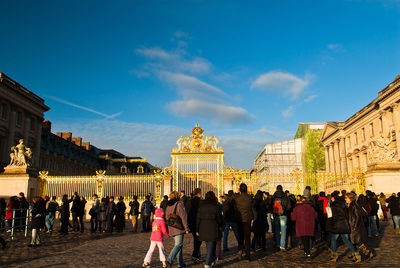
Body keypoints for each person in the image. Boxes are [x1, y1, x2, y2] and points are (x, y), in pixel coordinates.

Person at [326, 193, 358, 262]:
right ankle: (356, 253)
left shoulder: (332, 205)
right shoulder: (345, 205)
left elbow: (330, 216)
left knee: (333, 240)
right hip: (344, 224)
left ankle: (334, 255)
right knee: (346, 240)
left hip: (336, 225)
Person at [196, 191, 223, 268]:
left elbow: (198, 219)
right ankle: (207, 264)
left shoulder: (201, 206)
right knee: (210, 247)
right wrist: (220, 225)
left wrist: (197, 229)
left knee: (210, 246)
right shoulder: (216, 206)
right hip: (213, 228)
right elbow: (219, 219)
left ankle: (212, 261)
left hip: (203, 227)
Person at [346, 192, 374, 262]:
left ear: (350, 198)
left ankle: (365, 254)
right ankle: (358, 256)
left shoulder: (354, 206)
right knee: (355, 242)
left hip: (355, 227)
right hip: (352, 226)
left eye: (346, 198)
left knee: (357, 242)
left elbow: (357, 217)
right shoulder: (350, 205)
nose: (345, 199)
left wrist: (354, 227)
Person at [165, 191, 190, 268]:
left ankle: (180, 263)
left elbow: (166, 217)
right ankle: (169, 260)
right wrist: (186, 228)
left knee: (178, 245)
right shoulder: (179, 204)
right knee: (178, 245)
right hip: (178, 227)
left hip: (171, 227)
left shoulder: (168, 205)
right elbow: (183, 216)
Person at [234, 183, 254, 261]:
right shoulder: (250, 198)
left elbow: (235, 209)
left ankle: (240, 251)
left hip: (239, 219)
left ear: (240, 189)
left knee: (240, 237)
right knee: (247, 238)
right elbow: (252, 208)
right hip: (247, 219)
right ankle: (247, 256)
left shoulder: (237, 198)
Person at [271, 185, 291, 251]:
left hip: (276, 214)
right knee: (283, 231)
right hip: (283, 214)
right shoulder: (285, 197)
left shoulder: (273, 197)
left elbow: (270, 205)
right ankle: (282, 246)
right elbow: (289, 207)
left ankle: (278, 244)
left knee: (277, 230)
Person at [188, 188, 202, 262]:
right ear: (199, 194)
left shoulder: (189, 201)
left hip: (192, 223)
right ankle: (195, 255)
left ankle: (198, 255)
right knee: (198, 241)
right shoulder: (200, 202)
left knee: (196, 240)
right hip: (198, 224)